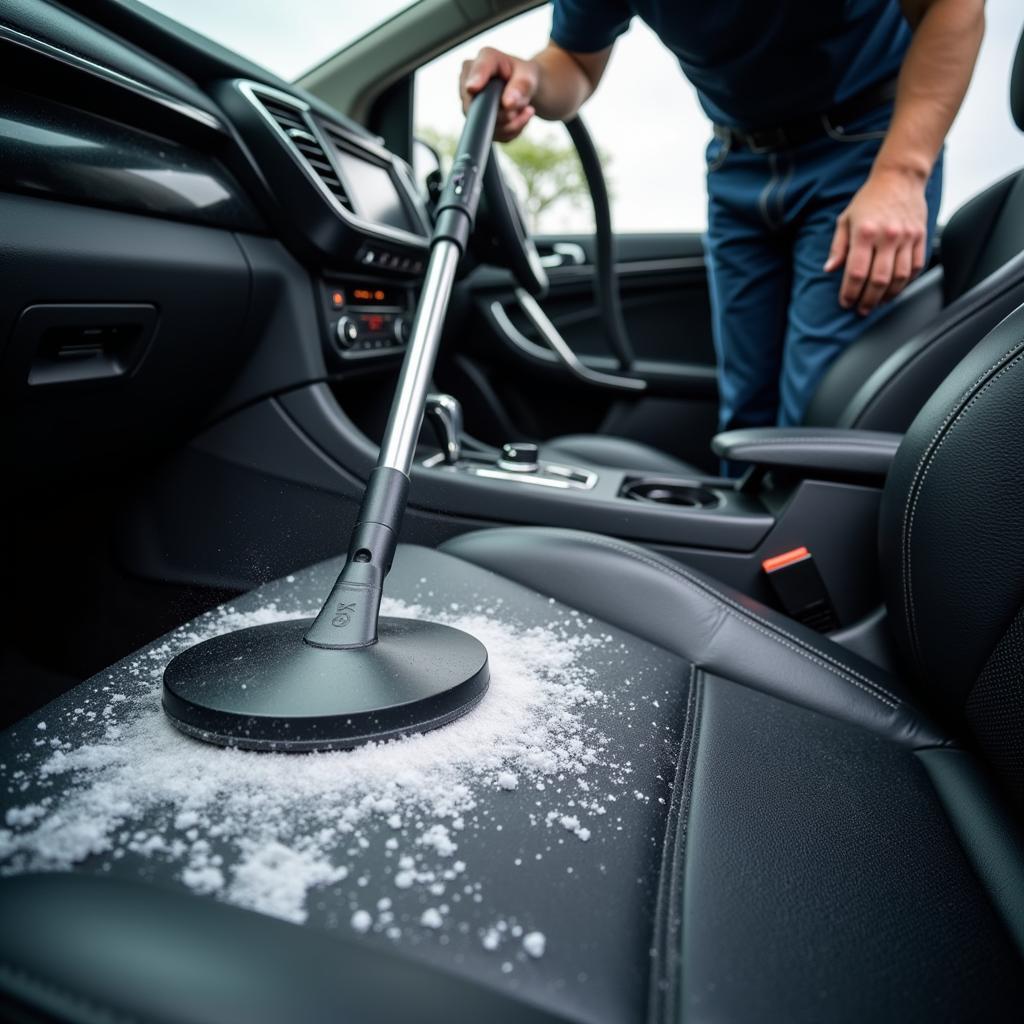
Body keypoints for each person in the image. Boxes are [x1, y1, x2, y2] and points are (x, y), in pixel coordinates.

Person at [460, 0, 984, 440]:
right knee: (745, 411)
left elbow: (954, 5)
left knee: (815, 414)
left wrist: (902, 174)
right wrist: (527, 77)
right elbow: (574, 61)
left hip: (865, 151)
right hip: (737, 160)